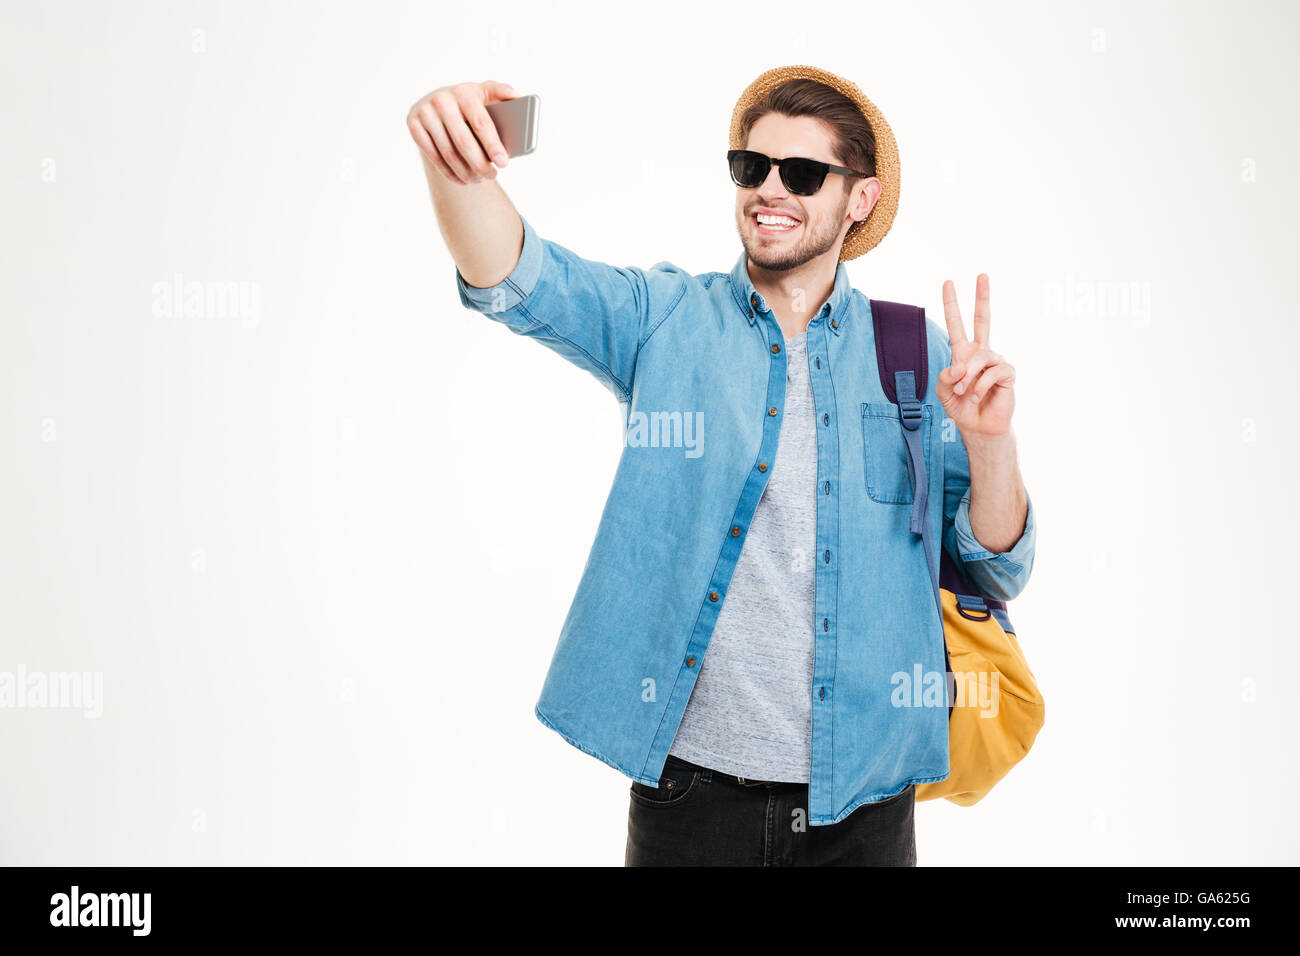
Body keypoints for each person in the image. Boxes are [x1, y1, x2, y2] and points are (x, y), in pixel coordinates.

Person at [407, 65, 1036, 866]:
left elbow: (997, 567)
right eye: (752, 167)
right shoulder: (666, 318)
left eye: (802, 173)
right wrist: (453, 163)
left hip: (865, 813)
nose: (768, 189)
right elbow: (521, 277)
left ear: (860, 200)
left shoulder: (915, 355)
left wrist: (989, 443)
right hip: (690, 804)